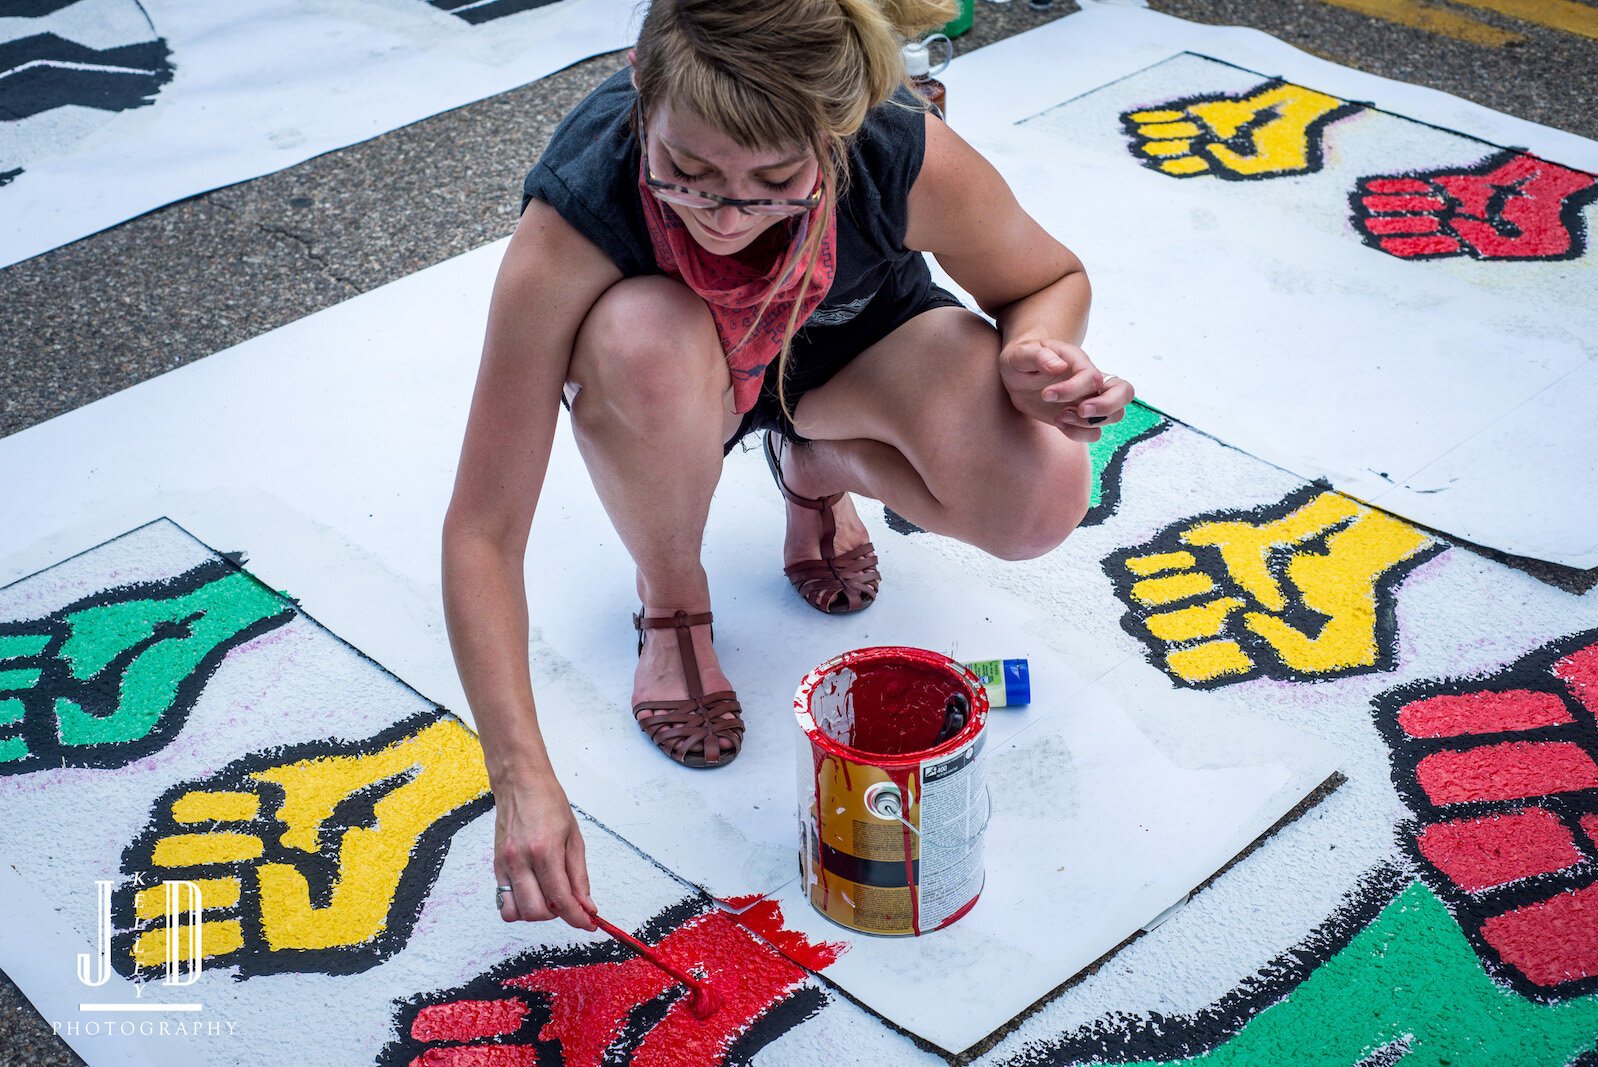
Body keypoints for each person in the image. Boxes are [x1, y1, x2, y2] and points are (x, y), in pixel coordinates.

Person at [442, 0, 1135, 932]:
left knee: (1042, 496)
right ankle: (672, 593)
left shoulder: (898, 146)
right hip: (674, 386)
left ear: (838, 131)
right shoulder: (581, 203)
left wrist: (1033, 351)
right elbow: (484, 528)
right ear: (642, 84)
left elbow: (1046, 278)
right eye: (686, 172)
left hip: (846, 356)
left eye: (776, 182)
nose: (726, 216)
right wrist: (520, 775)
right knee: (644, 334)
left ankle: (813, 461)